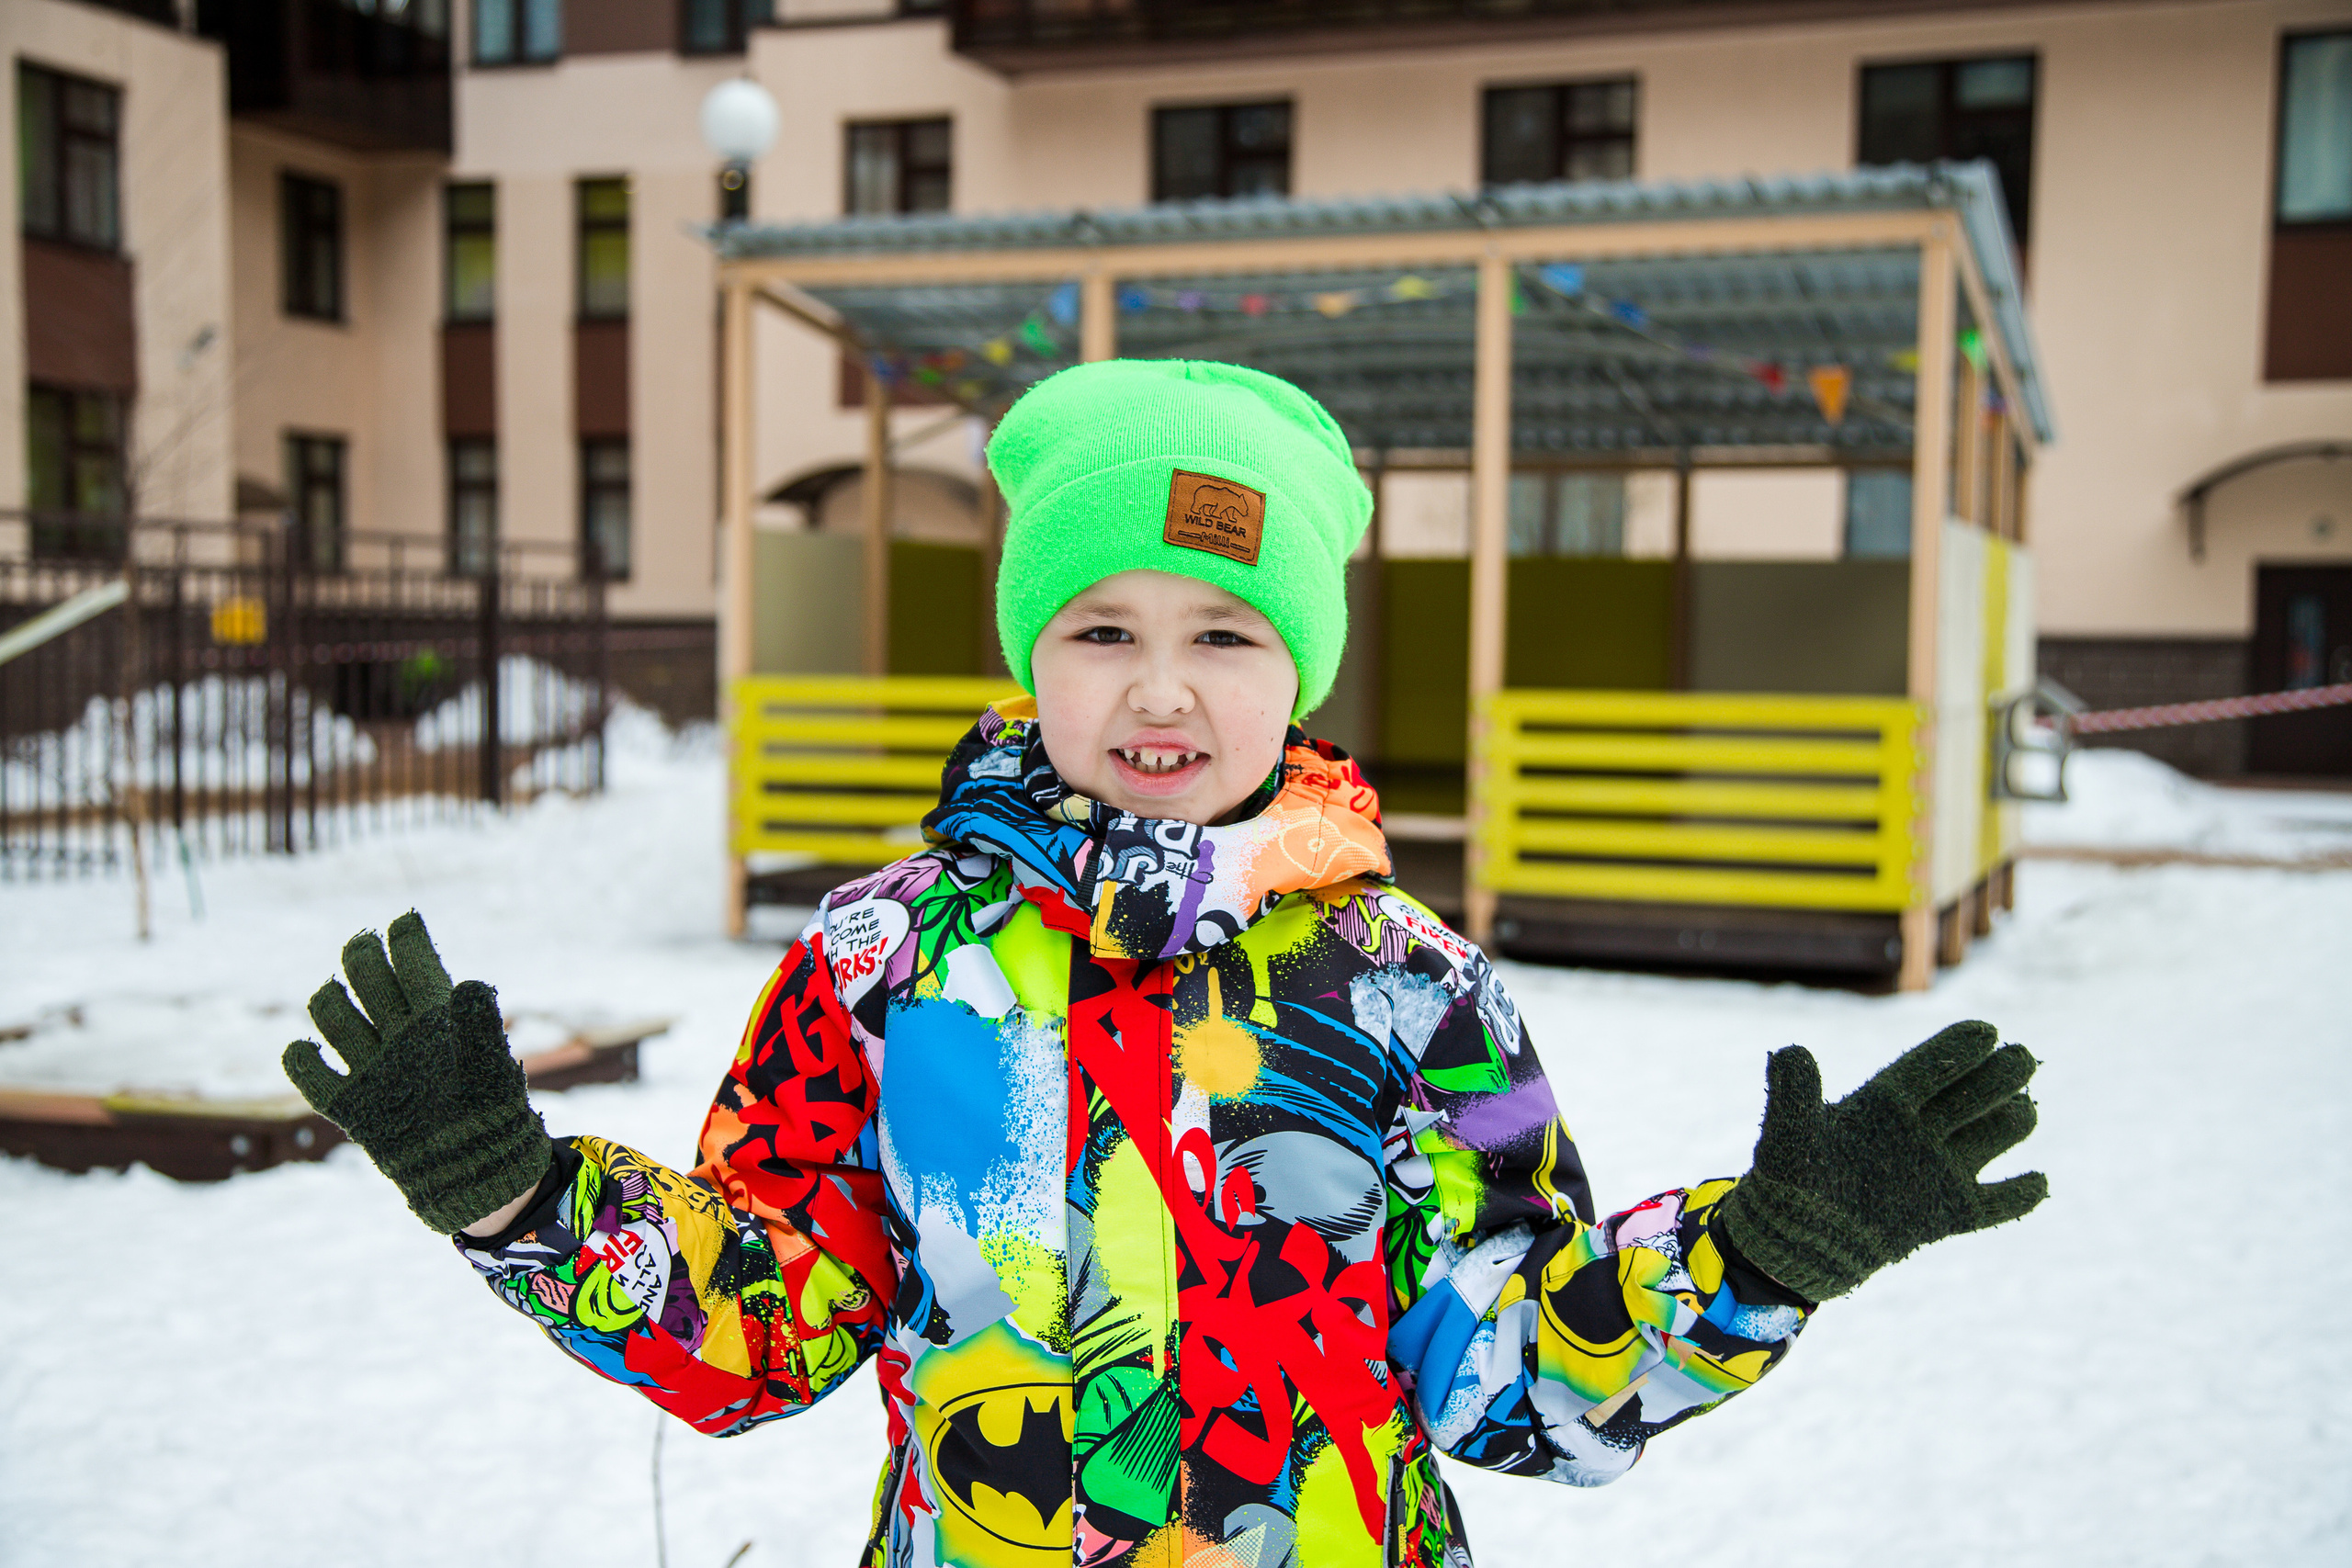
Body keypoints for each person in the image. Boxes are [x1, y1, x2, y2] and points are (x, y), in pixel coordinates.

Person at [282, 360, 2046, 1568]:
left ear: (1304, 671)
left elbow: (1512, 1366)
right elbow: (775, 1310)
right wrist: (523, 1204)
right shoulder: (886, 966)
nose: (1162, 687)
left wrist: (1756, 1258)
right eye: (1102, 628)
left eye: (1224, 632)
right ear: (1030, 655)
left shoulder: (1422, 992)